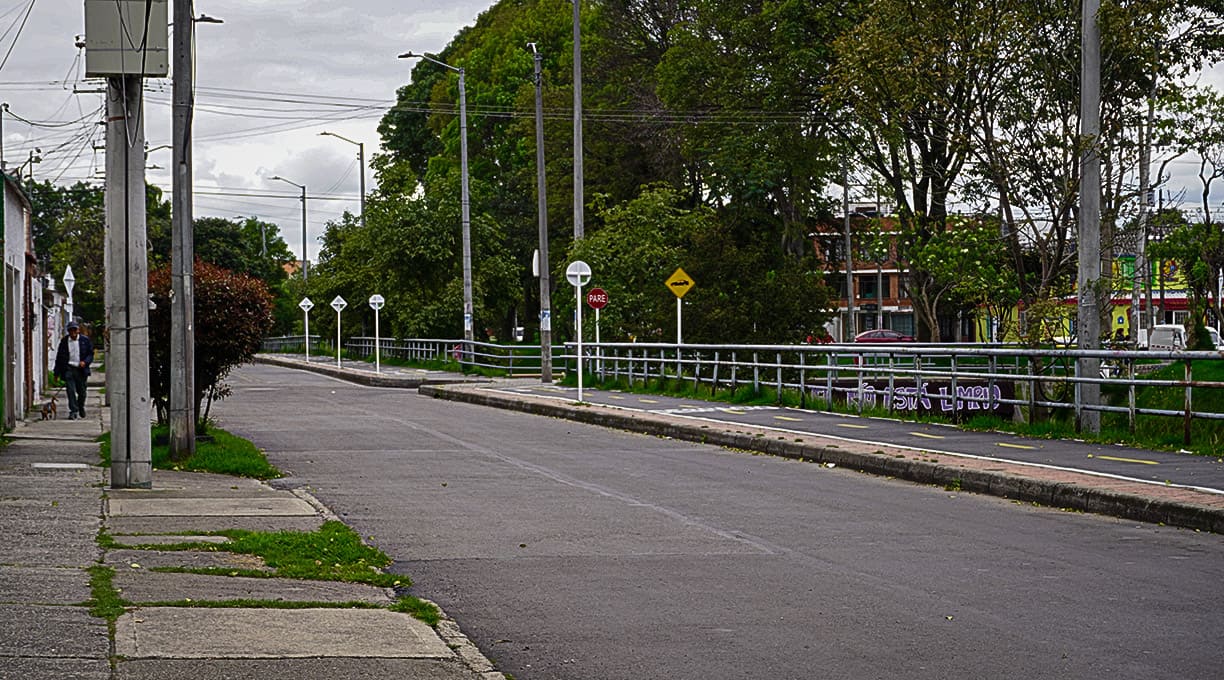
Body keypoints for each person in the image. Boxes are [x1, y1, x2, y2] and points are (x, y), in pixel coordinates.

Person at [54, 321, 94, 420]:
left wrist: (85, 362)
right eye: (70, 330)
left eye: (74, 330)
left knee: (82, 392)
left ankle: (80, 407)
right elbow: (59, 357)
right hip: (69, 369)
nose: (73, 332)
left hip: (81, 370)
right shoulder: (64, 341)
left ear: (78, 330)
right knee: (70, 391)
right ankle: (73, 411)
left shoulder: (85, 340)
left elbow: (90, 354)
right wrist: (56, 373)